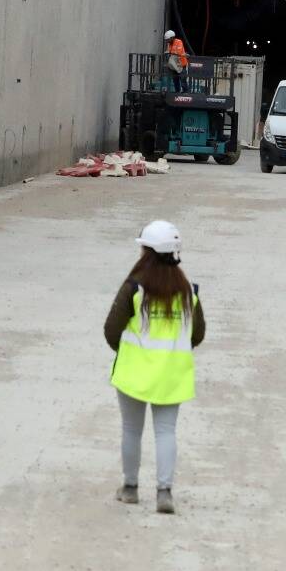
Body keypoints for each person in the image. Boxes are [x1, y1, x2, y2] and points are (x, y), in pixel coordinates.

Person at [103, 220, 205, 515]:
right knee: (166, 432)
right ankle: (164, 493)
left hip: (134, 374)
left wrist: (129, 353)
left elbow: (111, 329)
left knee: (131, 430)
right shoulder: (188, 291)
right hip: (172, 376)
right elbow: (198, 334)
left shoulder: (134, 289)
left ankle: (131, 488)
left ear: (147, 252)